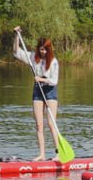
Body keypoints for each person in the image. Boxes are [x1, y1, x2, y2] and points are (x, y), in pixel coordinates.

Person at [12, 27, 61, 162]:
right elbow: (16, 52)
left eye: (44, 49)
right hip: (38, 92)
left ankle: (58, 153)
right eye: (40, 49)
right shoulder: (33, 58)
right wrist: (17, 36)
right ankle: (42, 155)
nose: (42, 52)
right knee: (39, 125)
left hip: (50, 91)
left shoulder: (54, 62)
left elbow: (54, 81)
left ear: (49, 50)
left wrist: (42, 79)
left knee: (51, 123)